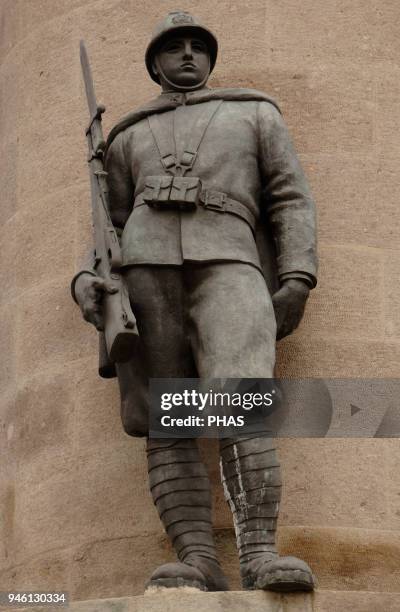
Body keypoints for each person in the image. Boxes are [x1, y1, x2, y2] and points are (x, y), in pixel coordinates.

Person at [72, 10, 318, 593]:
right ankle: (197, 558)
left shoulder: (254, 112)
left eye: (197, 47)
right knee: (169, 419)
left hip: (229, 262)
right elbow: (106, 221)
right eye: (174, 47)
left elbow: (289, 197)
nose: (187, 55)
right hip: (144, 271)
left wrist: (298, 275)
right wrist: (85, 277)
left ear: (210, 58)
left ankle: (259, 554)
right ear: (155, 62)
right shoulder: (127, 134)